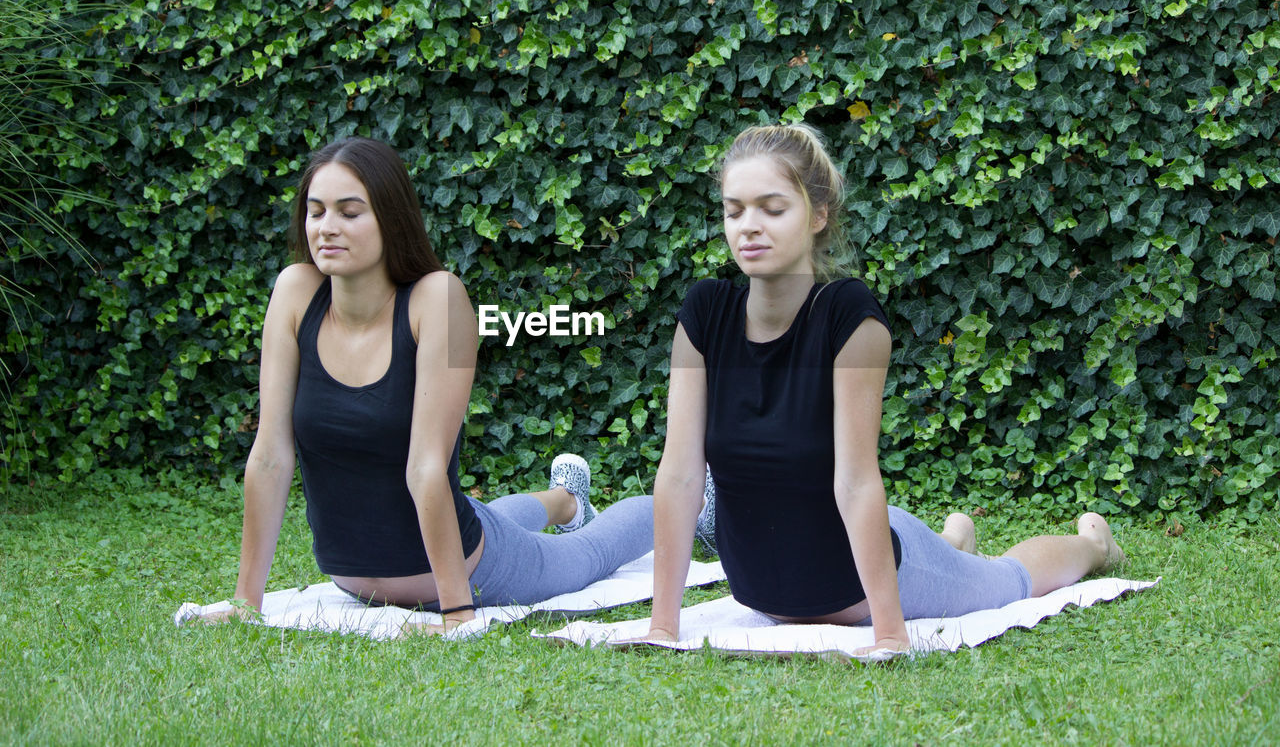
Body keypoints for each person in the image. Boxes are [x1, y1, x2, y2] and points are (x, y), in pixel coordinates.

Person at [643, 124, 1124, 656]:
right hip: (763, 593)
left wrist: (891, 634)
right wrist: (662, 626)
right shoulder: (706, 312)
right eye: (734, 211)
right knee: (953, 559)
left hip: (866, 587)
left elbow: (855, 480)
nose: (748, 227)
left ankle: (1092, 545)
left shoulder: (847, 315)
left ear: (818, 215)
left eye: (772, 209)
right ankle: (952, 541)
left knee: (1007, 584)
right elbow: (682, 474)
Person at [199, 137, 653, 634]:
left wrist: (457, 612)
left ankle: (692, 500)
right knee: (489, 512)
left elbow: (426, 466)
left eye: (350, 213)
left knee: (590, 552)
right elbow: (269, 456)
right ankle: (565, 499)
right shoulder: (295, 291)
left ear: (391, 219)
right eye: (315, 212)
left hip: (476, 567)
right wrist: (247, 601)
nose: (326, 228)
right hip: (357, 575)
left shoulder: (436, 298)